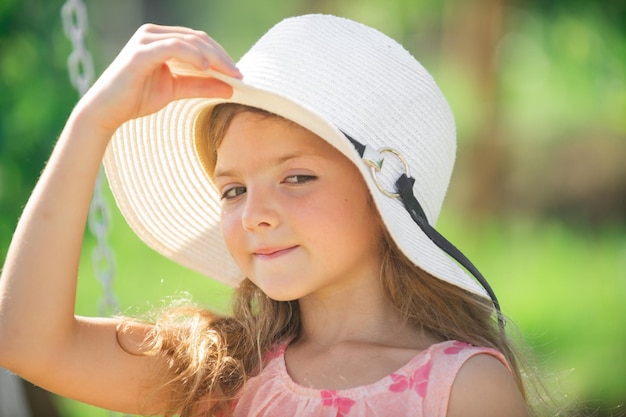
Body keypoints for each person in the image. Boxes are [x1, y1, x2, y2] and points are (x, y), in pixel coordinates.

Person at [0, 14, 539, 416]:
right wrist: (92, 121)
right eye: (232, 190)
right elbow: (24, 340)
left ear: (385, 198)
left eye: (296, 178)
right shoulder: (219, 372)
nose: (254, 214)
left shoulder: (460, 390)